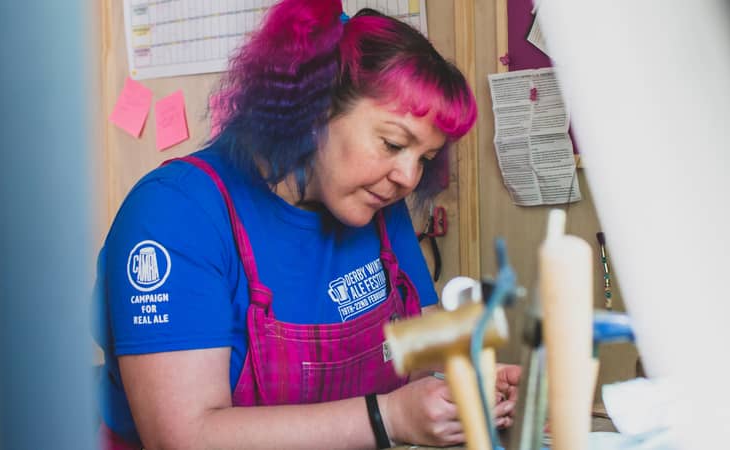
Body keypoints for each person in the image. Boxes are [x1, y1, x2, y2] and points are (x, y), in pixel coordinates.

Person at [93, 1, 520, 448]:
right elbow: (183, 438)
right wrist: (388, 417)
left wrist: (475, 376)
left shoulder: (375, 202)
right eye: (393, 144)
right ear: (314, 110)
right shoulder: (175, 214)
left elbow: (422, 349)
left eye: (425, 159)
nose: (408, 178)